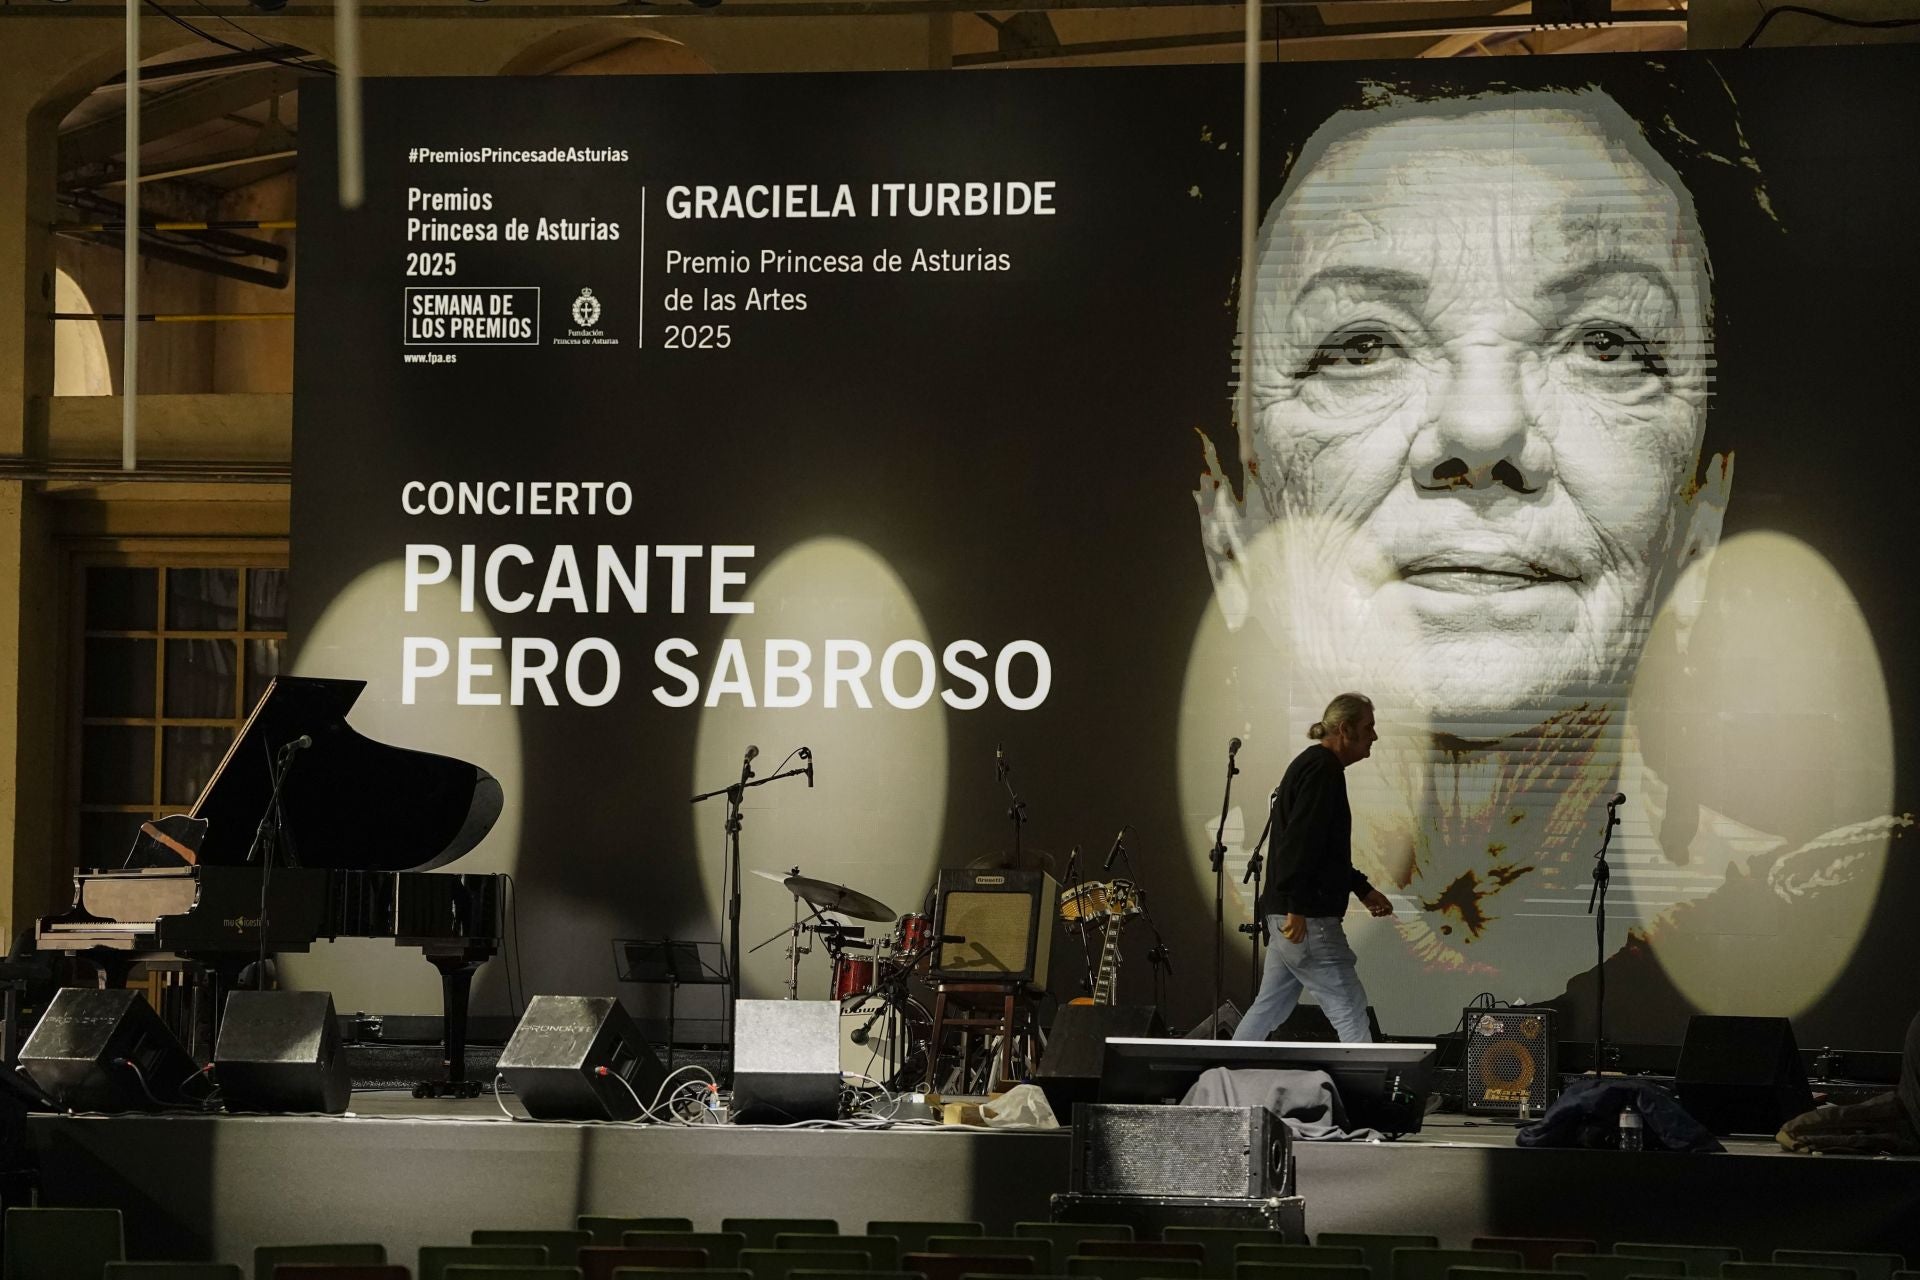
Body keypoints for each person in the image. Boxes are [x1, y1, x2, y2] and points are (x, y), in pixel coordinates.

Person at [1191, 69, 1902, 1031]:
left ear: (1701, 518)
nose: (1482, 432)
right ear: (1236, 527)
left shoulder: (1799, 891)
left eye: (1606, 341)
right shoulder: (1291, 802)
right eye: (1359, 345)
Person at [1233, 693, 1395, 1043]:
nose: (1375, 736)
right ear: (1344, 729)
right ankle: (1364, 1097)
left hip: (1290, 913)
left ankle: (1224, 1079)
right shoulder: (1323, 770)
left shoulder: (1316, 766)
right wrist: (1298, 907)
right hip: (1307, 918)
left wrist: (1362, 890)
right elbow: (1300, 844)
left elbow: (1322, 850)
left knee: (1269, 1008)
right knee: (1349, 1009)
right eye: (1369, 728)